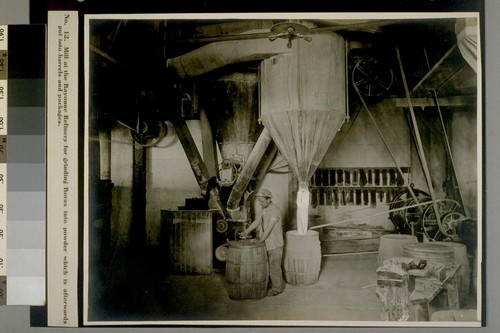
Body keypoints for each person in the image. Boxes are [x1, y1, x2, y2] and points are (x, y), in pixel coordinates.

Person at [239, 188, 285, 296]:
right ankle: (269, 283)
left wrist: (260, 240)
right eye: (259, 201)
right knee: (267, 266)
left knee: (275, 267)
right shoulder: (265, 209)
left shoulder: (275, 211)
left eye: (262, 201)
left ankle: (276, 289)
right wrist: (246, 231)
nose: (260, 203)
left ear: (269, 199)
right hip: (267, 243)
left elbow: (269, 228)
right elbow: (257, 221)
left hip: (275, 244)